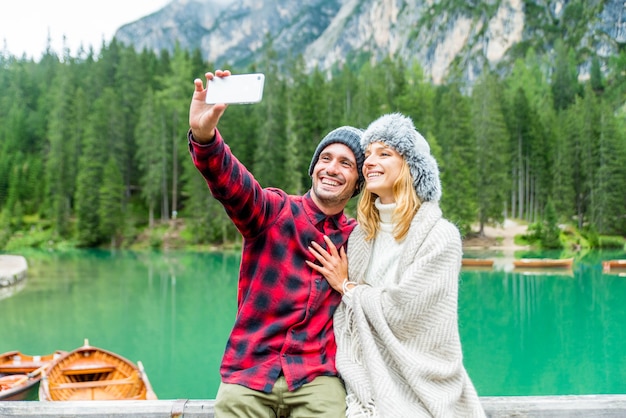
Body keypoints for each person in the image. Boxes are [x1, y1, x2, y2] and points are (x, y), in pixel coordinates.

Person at [188, 69, 366, 417]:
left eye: (346, 164)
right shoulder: (272, 210)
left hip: (317, 377)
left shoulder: (359, 239)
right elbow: (229, 181)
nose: (332, 168)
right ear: (313, 169)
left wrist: (345, 284)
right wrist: (204, 135)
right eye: (325, 159)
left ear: (357, 183)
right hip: (250, 369)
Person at [307, 113, 486, 417]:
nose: (369, 161)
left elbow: (403, 311)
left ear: (411, 167)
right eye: (368, 154)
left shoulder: (440, 237)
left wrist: (348, 287)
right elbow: (347, 318)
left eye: (384, 154)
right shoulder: (362, 236)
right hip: (365, 373)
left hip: (422, 380)